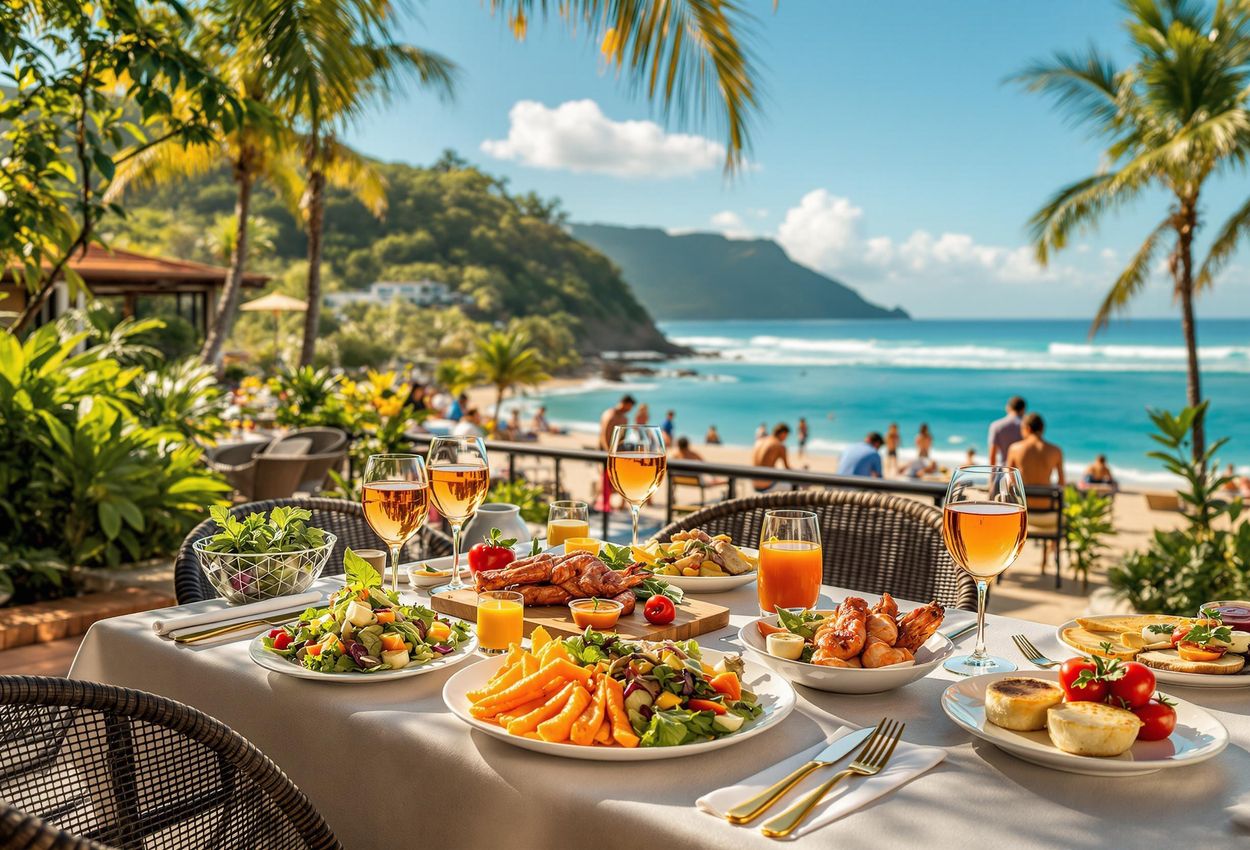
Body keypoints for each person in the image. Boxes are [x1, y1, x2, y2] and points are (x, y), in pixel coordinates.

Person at [1006, 413, 1065, 565]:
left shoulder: (1015, 448)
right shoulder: (1056, 450)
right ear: (1042, 429)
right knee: (1064, 515)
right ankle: (1048, 553)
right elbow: (1062, 483)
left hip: (1023, 514)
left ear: (1026, 428)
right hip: (1049, 514)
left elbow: (1008, 482)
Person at [597, 395, 636, 511]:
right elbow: (603, 436)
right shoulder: (610, 415)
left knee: (624, 478)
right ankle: (606, 504)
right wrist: (609, 452)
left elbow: (622, 438)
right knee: (606, 479)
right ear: (623, 403)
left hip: (619, 453)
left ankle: (622, 504)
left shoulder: (624, 419)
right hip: (606, 452)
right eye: (629, 407)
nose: (629, 410)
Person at [988, 396, 1026, 466]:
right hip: (1022, 472)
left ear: (1008, 407)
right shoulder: (1027, 427)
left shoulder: (996, 425)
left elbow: (992, 455)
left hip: (1003, 470)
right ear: (1023, 409)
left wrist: (992, 475)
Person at [751, 423, 791, 492]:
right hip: (767, 486)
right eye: (786, 436)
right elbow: (787, 468)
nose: (786, 439)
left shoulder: (760, 441)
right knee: (794, 485)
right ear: (783, 433)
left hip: (754, 484)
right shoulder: (779, 445)